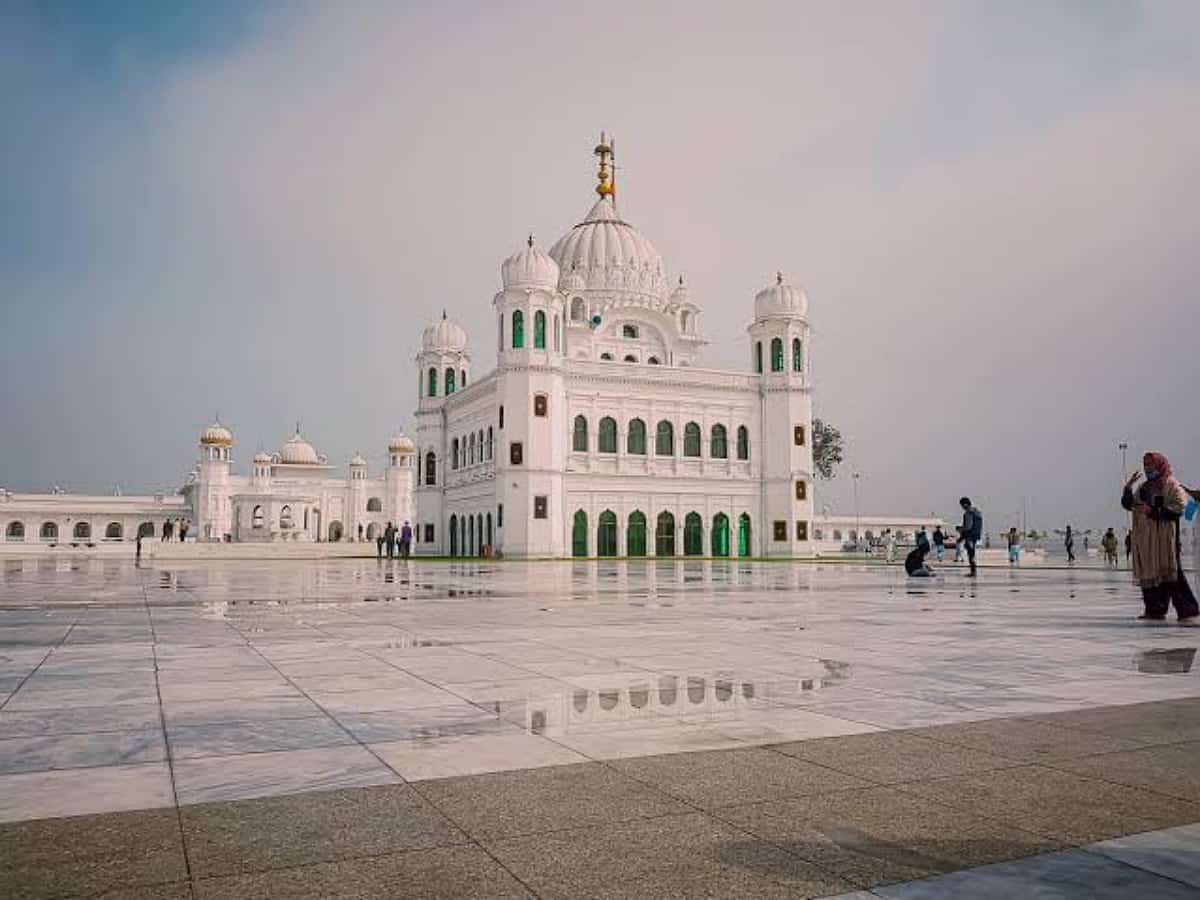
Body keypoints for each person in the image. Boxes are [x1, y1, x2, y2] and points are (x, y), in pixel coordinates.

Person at [1121, 451, 1198, 624]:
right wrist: (1128, 488)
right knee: (1150, 575)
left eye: (1150, 465)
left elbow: (1179, 508)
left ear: (1160, 465)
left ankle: (1188, 611)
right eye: (1145, 465)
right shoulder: (1144, 487)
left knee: (1171, 574)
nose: (1147, 469)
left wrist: (1154, 511)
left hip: (1165, 539)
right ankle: (1155, 610)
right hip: (1147, 540)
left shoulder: (1171, 485)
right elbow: (1129, 505)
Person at [956, 497, 982, 577]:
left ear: (965, 504)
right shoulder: (977, 512)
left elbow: (968, 526)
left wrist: (960, 529)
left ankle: (973, 571)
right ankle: (973, 571)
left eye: (962, 505)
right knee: (972, 553)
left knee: (970, 553)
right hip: (975, 535)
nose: (962, 508)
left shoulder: (969, 513)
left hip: (969, 536)